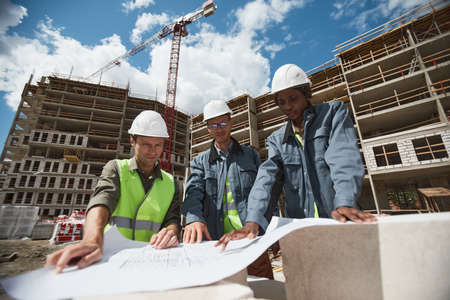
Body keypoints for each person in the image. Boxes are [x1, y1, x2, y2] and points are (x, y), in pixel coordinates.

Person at [216, 64, 377, 248]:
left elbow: (343, 157)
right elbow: (267, 179)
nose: (288, 106)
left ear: (306, 94)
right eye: (281, 102)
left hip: (339, 220)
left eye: (293, 98)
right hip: (301, 231)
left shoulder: (332, 114)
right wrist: (253, 221)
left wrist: (345, 200)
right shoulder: (277, 140)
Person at [46, 111, 181, 273]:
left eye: (158, 145)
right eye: (146, 144)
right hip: (110, 259)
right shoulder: (116, 168)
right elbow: (101, 201)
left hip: (150, 260)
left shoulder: (172, 183)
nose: (153, 151)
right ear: (132, 140)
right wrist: (91, 239)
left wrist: (171, 232)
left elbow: (172, 219)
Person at [182, 100, 275, 279]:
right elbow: (193, 193)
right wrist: (192, 219)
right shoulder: (199, 162)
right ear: (208, 128)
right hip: (217, 243)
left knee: (262, 288)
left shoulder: (250, 155)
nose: (219, 128)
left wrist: (271, 229)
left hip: (250, 238)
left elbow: (265, 192)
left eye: (223, 122)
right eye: (214, 124)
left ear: (231, 122)